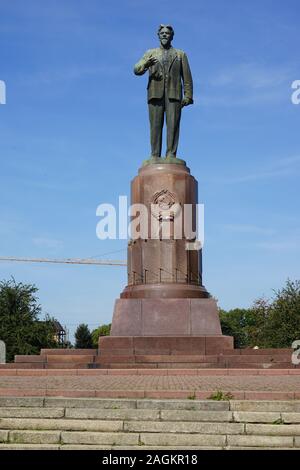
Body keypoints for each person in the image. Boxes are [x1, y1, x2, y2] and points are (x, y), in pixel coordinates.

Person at [134, 25, 193, 159]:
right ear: (158, 35)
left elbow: (187, 76)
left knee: (173, 126)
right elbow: (136, 69)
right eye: (162, 33)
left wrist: (188, 95)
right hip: (155, 94)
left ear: (172, 36)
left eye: (167, 33)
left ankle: (171, 154)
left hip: (174, 94)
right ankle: (155, 155)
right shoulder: (150, 53)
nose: (165, 35)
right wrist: (146, 64)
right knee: (155, 126)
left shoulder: (180, 54)